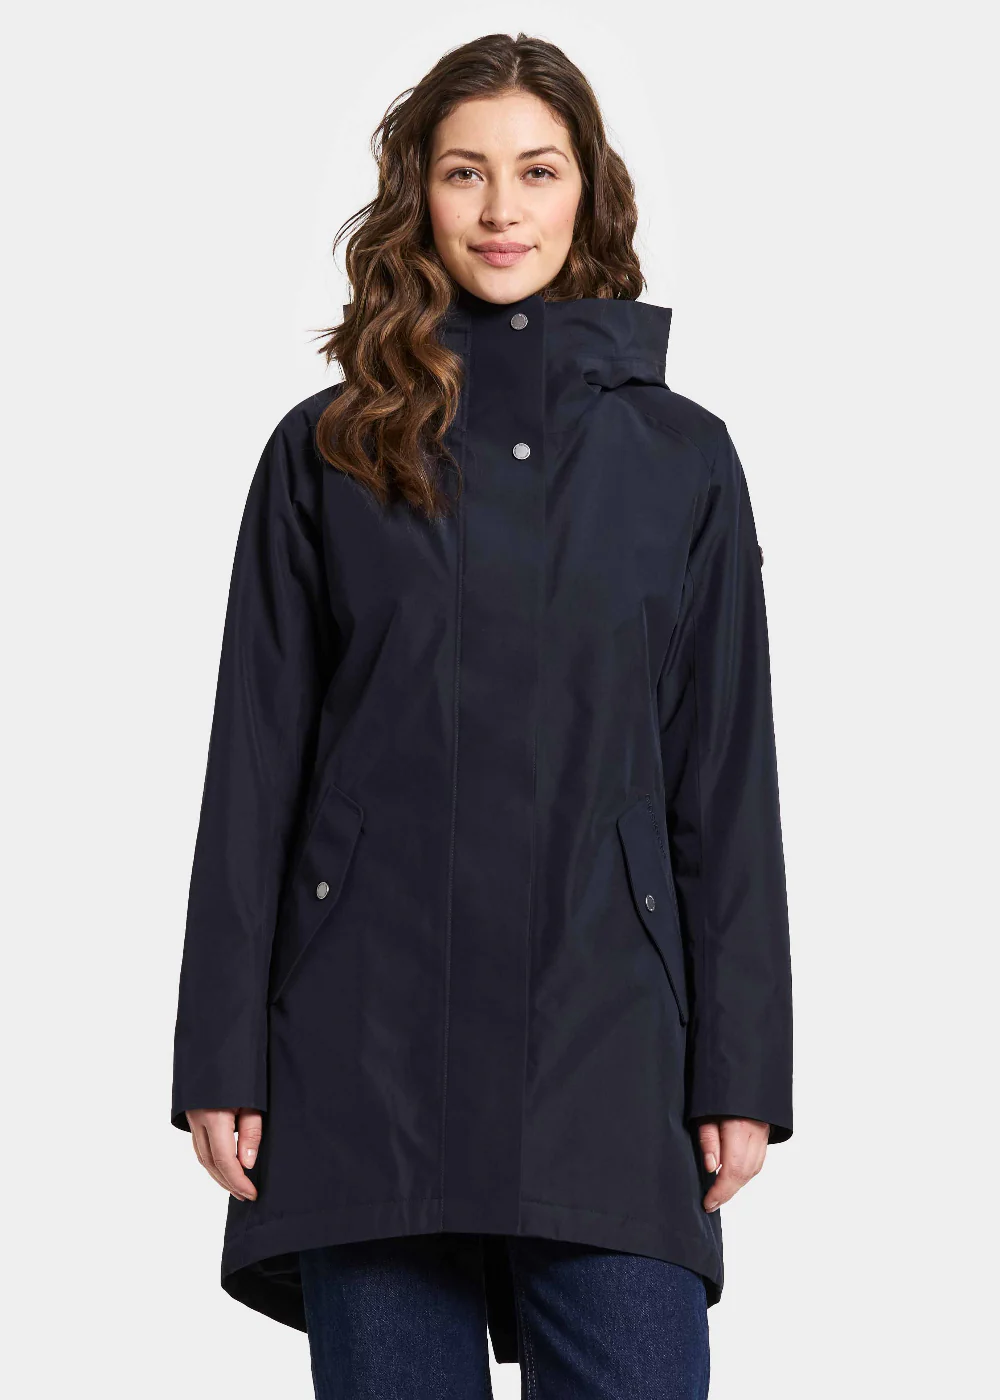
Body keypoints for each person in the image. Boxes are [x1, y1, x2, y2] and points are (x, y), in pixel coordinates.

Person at [170, 30, 793, 1400]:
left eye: (537, 170)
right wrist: (220, 1049)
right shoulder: (327, 449)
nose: (502, 209)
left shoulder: (682, 458)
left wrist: (741, 1068)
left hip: (608, 1042)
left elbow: (722, 777)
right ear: (419, 194)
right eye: (465, 172)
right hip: (362, 1040)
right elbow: (255, 768)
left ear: (588, 192)